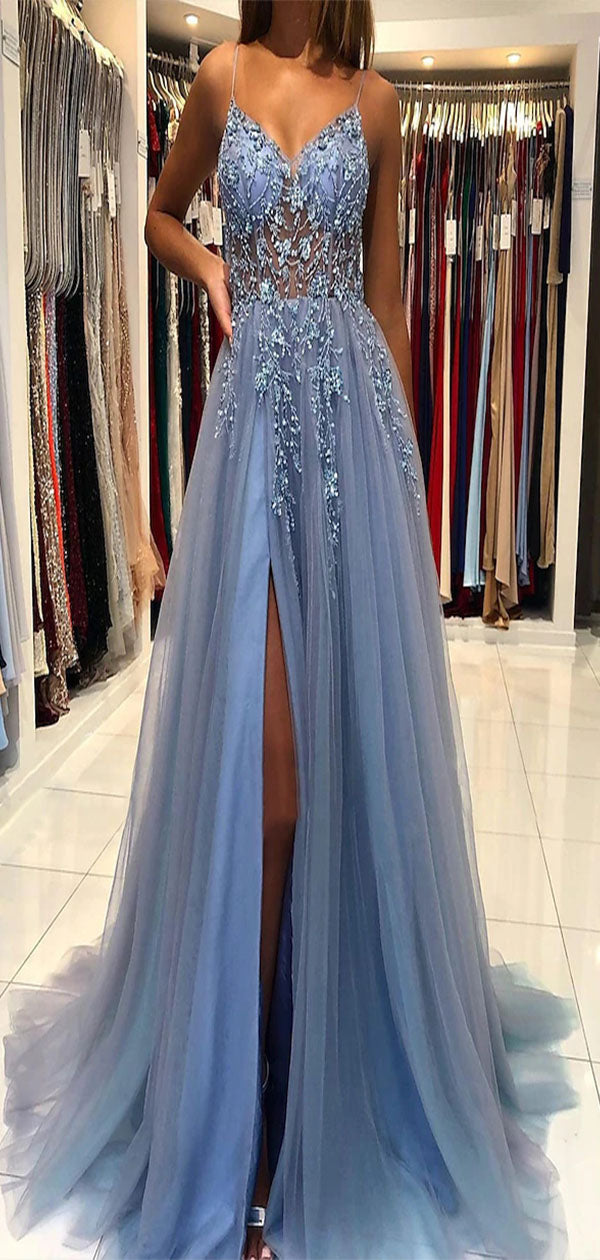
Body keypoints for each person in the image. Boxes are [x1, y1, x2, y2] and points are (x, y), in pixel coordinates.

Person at [2, 3, 577, 1259]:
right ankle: (242, 1127)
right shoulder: (219, 75)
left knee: (347, 778)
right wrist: (211, 269)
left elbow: (390, 306)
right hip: (254, 436)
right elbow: (159, 215)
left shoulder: (380, 105)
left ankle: (325, 1084)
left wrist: (405, 484)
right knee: (269, 797)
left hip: (354, 449)